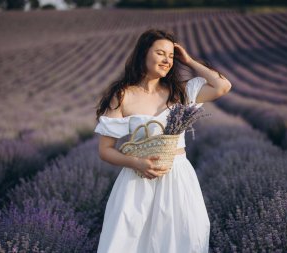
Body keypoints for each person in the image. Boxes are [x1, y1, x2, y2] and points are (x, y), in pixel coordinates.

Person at [94, 28, 232, 253]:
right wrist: (136, 163)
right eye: (160, 53)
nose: (167, 60)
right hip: (137, 181)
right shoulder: (123, 96)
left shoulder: (180, 92)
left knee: (184, 241)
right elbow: (105, 150)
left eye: (171, 56)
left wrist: (188, 60)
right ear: (143, 54)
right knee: (129, 243)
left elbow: (222, 86)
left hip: (178, 177)